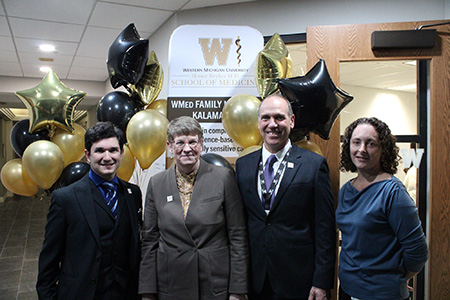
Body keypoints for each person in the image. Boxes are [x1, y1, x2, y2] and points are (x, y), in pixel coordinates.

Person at [235, 94, 336, 300]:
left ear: (291, 121)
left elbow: (325, 229)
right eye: (266, 118)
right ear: (258, 123)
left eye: (279, 117)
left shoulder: (313, 165)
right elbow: (240, 225)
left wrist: (322, 282)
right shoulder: (243, 166)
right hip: (255, 280)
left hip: (299, 281)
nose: (272, 124)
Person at [139, 116, 248, 300]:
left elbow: (237, 236)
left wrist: (238, 290)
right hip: (172, 283)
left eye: (193, 142)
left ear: (202, 144)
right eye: (180, 142)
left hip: (214, 283)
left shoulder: (223, 178)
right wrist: (147, 292)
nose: (187, 149)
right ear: (170, 146)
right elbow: (149, 241)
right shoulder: (156, 184)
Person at [36, 122, 142, 300]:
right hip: (81, 293)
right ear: (87, 155)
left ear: (122, 153)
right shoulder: (65, 199)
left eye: (113, 150)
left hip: (125, 294)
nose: (107, 157)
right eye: (99, 150)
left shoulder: (133, 193)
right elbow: (49, 261)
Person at [337, 117, 428, 300]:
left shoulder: (393, 193)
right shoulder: (346, 190)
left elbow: (418, 251)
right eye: (356, 142)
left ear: (382, 149)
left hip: (382, 294)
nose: (361, 149)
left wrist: (398, 278)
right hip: (347, 290)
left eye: (370, 144)